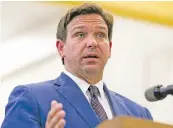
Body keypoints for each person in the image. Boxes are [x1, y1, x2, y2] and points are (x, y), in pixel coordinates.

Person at [1, 3, 153, 128]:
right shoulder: (31, 98)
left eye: (100, 35)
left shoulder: (138, 115)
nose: (92, 43)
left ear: (110, 48)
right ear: (61, 48)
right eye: (80, 34)